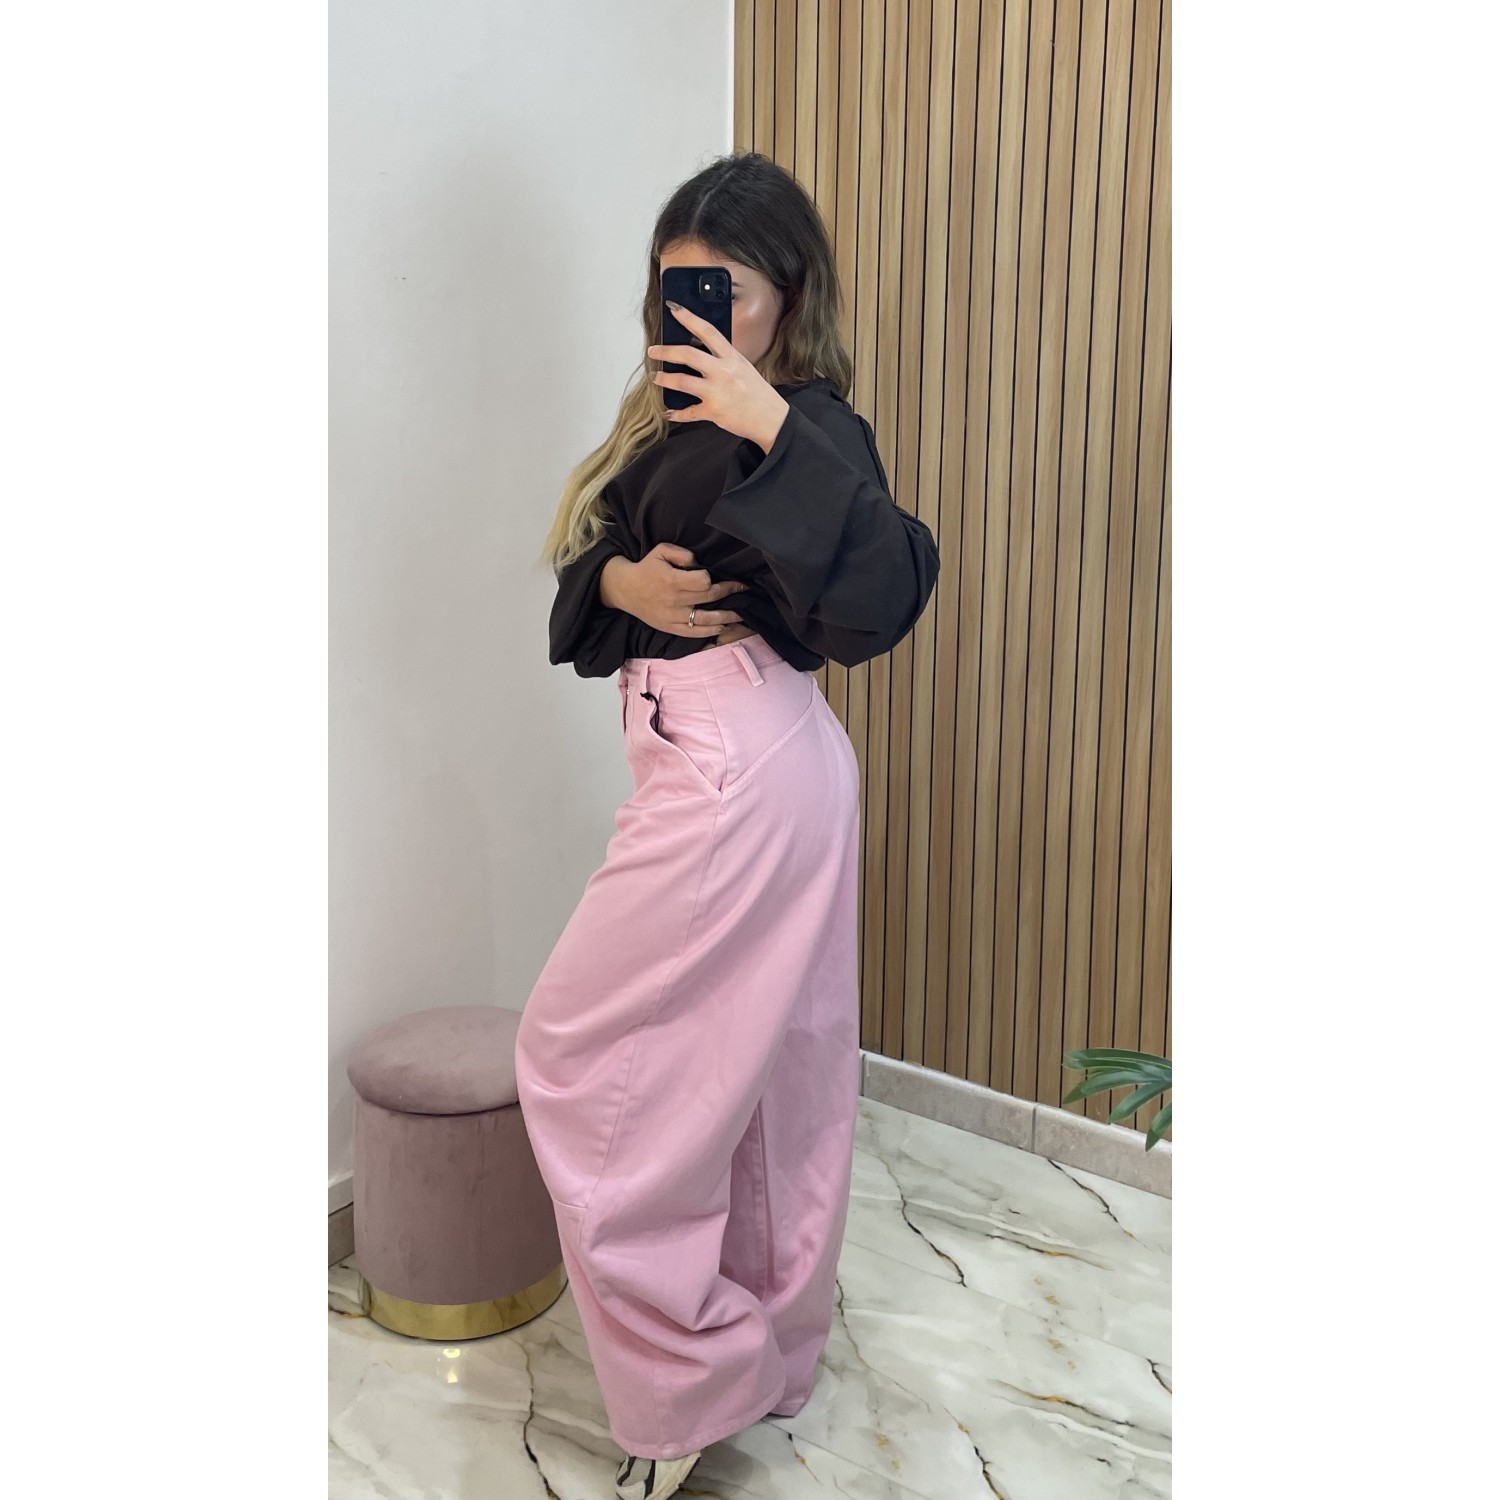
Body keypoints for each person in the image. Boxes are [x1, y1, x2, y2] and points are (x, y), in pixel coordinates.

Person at [514, 150, 939, 1500]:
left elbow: (881, 593)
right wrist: (620, 582)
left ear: (788, 297)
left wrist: (773, 427)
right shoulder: (663, 421)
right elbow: (590, 577)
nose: (694, 315)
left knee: (576, 1055)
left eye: (727, 292)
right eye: (674, 289)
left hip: (740, 761)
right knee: (769, 1078)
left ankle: (684, 1385)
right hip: (736, 757)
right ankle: (760, 1357)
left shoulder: (808, 422)